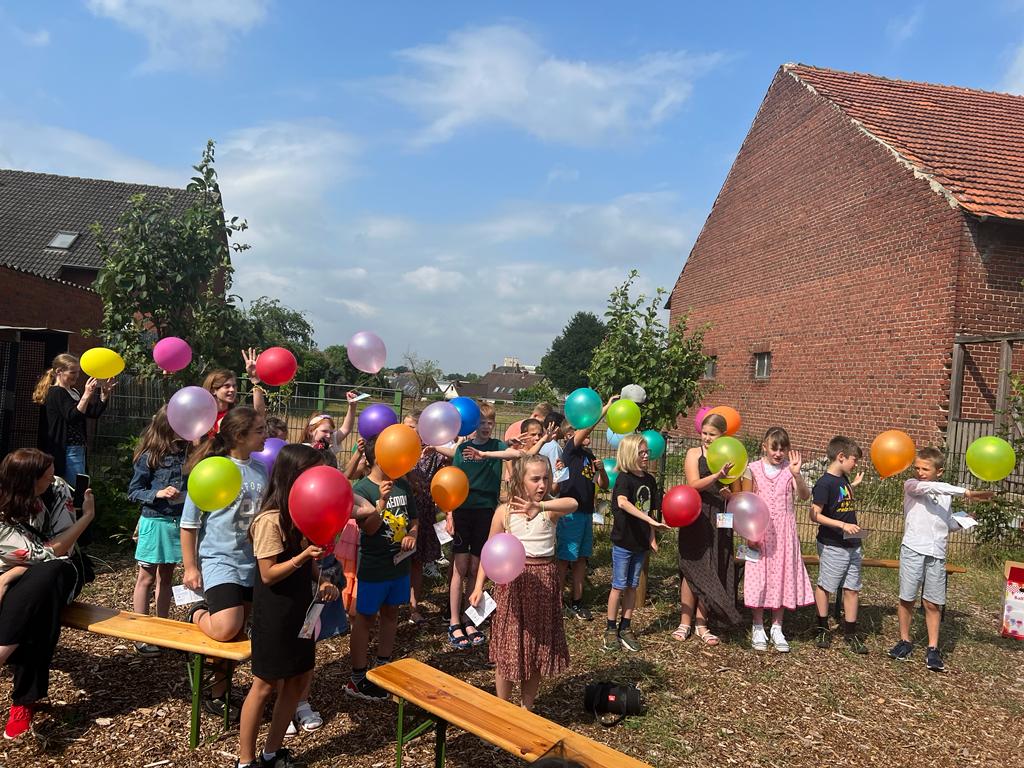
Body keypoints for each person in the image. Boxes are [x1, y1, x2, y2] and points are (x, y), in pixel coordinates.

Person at [237, 444, 341, 768]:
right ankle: (245, 761)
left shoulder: (303, 514)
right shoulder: (269, 520)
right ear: (294, 476)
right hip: (275, 614)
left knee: (297, 680)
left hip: (301, 610)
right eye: (313, 471)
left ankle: (271, 753)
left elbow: (310, 565)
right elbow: (268, 574)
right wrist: (302, 556)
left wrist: (323, 580)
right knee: (265, 684)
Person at [0, 448, 94, 740]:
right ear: (28, 481)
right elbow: (34, 554)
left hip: (60, 571)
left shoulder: (57, 489)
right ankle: (24, 699)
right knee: (40, 608)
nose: (54, 479)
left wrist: (87, 516)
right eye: (47, 476)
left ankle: (3, 654)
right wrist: (12, 575)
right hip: (23, 578)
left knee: (47, 576)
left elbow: (60, 551)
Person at [469, 455, 577, 710]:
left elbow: (573, 503)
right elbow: (490, 550)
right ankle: (502, 707)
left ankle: (527, 708)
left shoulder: (549, 509)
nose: (542, 485)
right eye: (535, 479)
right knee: (509, 646)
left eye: (546, 478)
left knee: (536, 647)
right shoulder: (504, 512)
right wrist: (478, 585)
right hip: (512, 585)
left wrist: (540, 507)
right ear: (520, 480)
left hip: (543, 582)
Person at [180, 406, 268, 714]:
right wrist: (191, 567)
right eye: (260, 431)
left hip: (251, 562)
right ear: (240, 436)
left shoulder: (262, 470)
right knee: (225, 627)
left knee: (235, 635)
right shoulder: (212, 469)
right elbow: (189, 524)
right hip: (219, 559)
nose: (266, 435)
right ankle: (196, 613)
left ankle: (220, 693)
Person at [435, 402, 541, 648]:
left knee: (476, 567)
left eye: (490, 422)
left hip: (485, 513)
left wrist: (518, 445)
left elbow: (518, 456)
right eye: (481, 422)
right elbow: (452, 483)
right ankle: (454, 621)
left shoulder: (498, 447)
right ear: (473, 424)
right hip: (462, 512)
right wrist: (449, 514)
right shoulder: (463, 450)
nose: (485, 426)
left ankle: (469, 618)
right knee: (460, 567)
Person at [888, 447, 992, 671]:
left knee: (932, 603)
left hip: (936, 553)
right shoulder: (912, 485)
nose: (920, 472)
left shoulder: (945, 495)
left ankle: (933, 648)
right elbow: (933, 487)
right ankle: (905, 640)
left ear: (939, 471)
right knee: (907, 598)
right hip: (913, 549)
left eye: (925, 469)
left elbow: (946, 523)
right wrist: (967, 493)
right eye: (917, 468)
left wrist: (963, 520)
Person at [345, 436, 418, 700]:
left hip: (400, 566)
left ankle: (383, 666)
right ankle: (357, 678)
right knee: (365, 618)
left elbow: (414, 519)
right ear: (378, 457)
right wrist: (382, 504)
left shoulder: (403, 485)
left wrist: (412, 535)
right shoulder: (362, 489)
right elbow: (370, 529)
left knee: (391, 613)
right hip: (374, 567)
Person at [743, 427, 814, 652]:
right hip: (759, 531)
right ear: (764, 446)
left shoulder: (789, 470)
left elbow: (804, 496)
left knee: (783, 575)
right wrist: (749, 533)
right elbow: (746, 501)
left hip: (784, 533)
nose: (778, 453)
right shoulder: (752, 469)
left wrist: (797, 474)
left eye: (783, 449)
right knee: (758, 576)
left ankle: (777, 627)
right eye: (774, 448)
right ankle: (757, 625)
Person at [675, 412, 742, 645]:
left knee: (714, 566)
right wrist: (716, 476)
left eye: (712, 434)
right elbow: (693, 485)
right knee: (692, 567)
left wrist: (729, 494)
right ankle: (684, 622)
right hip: (697, 513)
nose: (706, 438)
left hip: (720, 516)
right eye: (704, 433)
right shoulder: (694, 454)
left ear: (722, 435)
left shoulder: (731, 456)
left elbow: (737, 493)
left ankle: (702, 623)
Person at [127, 406, 188, 653]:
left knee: (167, 577)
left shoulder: (187, 454)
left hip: (176, 523)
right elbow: (134, 491)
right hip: (155, 522)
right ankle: (140, 634)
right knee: (147, 577)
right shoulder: (150, 456)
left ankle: (162, 629)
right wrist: (158, 493)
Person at [604, 434, 668, 653]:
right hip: (623, 542)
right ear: (630, 454)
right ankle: (610, 629)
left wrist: (651, 536)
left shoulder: (649, 480)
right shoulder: (624, 479)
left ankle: (626, 626)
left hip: (640, 544)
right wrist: (649, 521)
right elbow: (623, 503)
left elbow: (648, 510)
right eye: (641, 453)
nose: (646, 456)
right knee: (618, 585)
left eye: (647, 452)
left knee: (632, 586)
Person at [557, 397, 615, 620]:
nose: (586, 432)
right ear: (569, 435)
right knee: (564, 559)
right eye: (579, 430)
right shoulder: (570, 451)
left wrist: (601, 470)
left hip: (585, 514)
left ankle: (577, 602)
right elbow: (588, 426)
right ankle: (556, 602)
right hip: (570, 515)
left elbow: (603, 484)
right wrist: (605, 408)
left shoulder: (589, 456)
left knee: (581, 559)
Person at [810, 435, 866, 653]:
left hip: (853, 543)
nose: (856, 464)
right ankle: (822, 628)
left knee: (852, 588)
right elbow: (814, 514)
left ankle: (850, 632)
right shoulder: (824, 483)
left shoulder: (843, 479)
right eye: (854, 459)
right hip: (833, 544)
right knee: (826, 586)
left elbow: (840, 500)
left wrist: (853, 485)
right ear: (841, 456)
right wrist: (842, 525)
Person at [32, 352, 115, 484]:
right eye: (72, 372)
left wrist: (104, 395)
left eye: (78, 372)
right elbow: (72, 416)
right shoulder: (56, 392)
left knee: (80, 485)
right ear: (59, 371)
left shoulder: (73, 392)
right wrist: (86, 395)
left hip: (78, 448)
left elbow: (93, 413)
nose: (76, 376)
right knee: (77, 488)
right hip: (67, 449)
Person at [402, 411, 446, 626]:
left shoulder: (433, 453)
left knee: (416, 562)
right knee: (396, 562)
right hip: (399, 511)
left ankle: (413, 607)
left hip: (423, 514)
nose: (408, 431)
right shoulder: (398, 448)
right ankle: (390, 607)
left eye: (412, 427)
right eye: (405, 426)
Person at [202, 349, 267, 436]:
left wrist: (255, 381)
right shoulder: (201, 415)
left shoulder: (236, 416)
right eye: (227, 386)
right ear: (213, 390)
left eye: (234, 386)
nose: (232, 389)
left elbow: (259, 415)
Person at [302, 392, 359, 468]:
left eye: (331, 433)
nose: (329, 435)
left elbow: (346, 428)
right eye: (324, 431)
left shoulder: (330, 447)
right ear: (310, 431)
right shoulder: (302, 451)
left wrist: (352, 406)